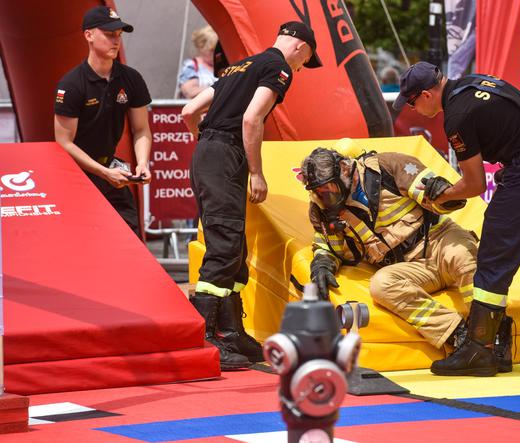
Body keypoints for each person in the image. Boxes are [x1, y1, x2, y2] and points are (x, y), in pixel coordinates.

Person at [394, 62, 520, 377]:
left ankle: (480, 349)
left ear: (426, 94)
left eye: (411, 102)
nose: (412, 109)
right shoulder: (475, 82)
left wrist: (440, 196)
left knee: (492, 254)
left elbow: (474, 185)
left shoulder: (457, 116)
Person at [181, 21, 322, 370]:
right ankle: (206, 335)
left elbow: (188, 111)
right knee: (225, 243)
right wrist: (256, 173)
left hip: (207, 154)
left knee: (234, 246)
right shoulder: (277, 68)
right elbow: (251, 118)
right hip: (227, 154)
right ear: (301, 48)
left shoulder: (239, 65)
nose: (302, 67)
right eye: (306, 61)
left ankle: (231, 330)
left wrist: (205, 142)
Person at [300, 144, 513, 373]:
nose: (326, 196)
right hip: (408, 267)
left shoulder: (389, 165)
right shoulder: (321, 209)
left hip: (438, 240)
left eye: (329, 187)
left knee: (462, 256)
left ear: (344, 168)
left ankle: (494, 336)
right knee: (382, 285)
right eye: (319, 191)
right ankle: (460, 337)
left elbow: (441, 197)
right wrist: (322, 263)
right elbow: (329, 245)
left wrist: (445, 195)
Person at [54, 6, 152, 238]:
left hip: (111, 170)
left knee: (130, 239)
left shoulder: (131, 78)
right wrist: (102, 172)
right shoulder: (71, 84)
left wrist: (142, 163)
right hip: (76, 176)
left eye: (119, 34)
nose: (116, 40)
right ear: (88, 35)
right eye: (109, 34)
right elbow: (64, 143)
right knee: (83, 242)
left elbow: (141, 129)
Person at [178, 25, 218, 99]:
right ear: (201, 47)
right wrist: (220, 89)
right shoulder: (191, 66)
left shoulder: (225, 66)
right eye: (212, 50)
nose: (216, 54)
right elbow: (190, 92)